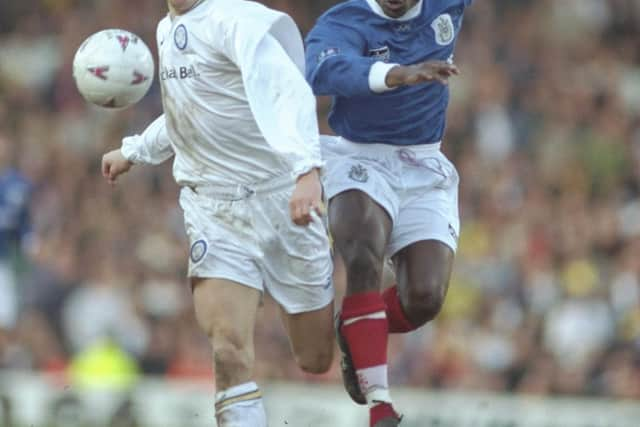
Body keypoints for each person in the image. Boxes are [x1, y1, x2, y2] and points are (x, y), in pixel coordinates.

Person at [101, 0, 335, 425]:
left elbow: (288, 90)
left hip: (281, 197)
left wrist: (307, 171)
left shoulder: (236, 20)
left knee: (315, 357)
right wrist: (134, 150)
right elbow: (188, 111)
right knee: (227, 347)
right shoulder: (165, 30)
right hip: (212, 204)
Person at [305, 0, 473, 426]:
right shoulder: (343, 20)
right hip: (357, 156)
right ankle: (380, 406)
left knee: (425, 298)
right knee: (362, 253)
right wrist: (396, 75)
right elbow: (323, 71)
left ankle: (354, 327)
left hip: (423, 164)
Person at [0, 133, 33, 332]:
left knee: (7, 315)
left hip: (7, 255)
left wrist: (29, 239)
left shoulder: (19, 183)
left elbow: (24, 220)